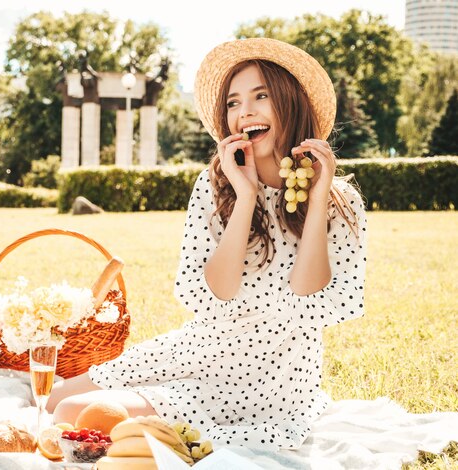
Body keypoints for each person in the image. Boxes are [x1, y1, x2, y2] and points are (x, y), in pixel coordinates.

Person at [47, 37, 367, 450]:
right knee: (55, 398)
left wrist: (319, 197)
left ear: (291, 101)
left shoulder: (339, 200)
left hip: (272, 378)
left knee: (73, 416)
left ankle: (163, 430)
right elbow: (209, 296)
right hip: (200, 347)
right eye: (233, 103)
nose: (244, 111)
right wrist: (246, 195)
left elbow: (315, 299)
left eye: (261, 95)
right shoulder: (216, 187)